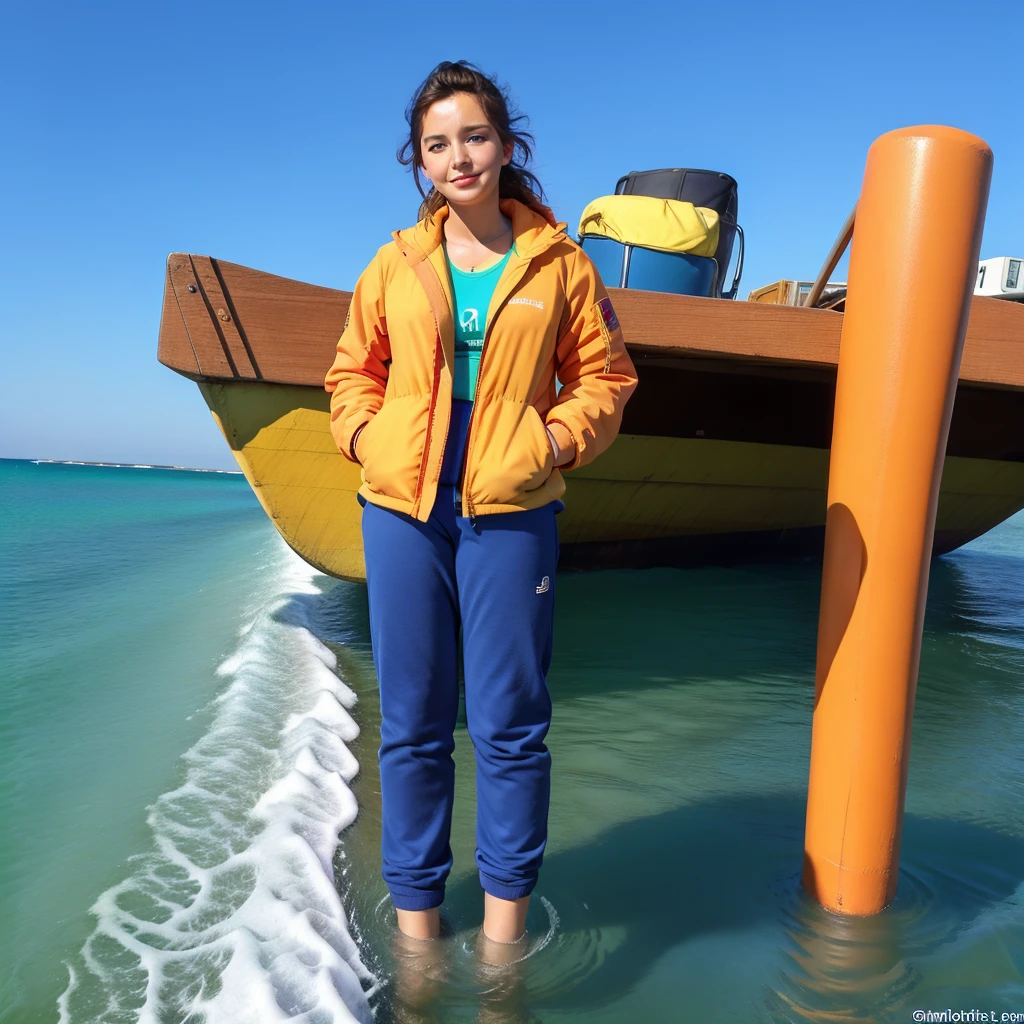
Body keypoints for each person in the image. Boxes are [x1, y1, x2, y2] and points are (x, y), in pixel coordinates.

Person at [323, 60, 638, 949]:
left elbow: (605, 377)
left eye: (474, 136)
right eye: (437, 144)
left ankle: (504, 939)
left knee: (509, 725)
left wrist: (552, 444)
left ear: (506, 145)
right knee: (414, 726)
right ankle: (419, 935)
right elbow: (352, 372)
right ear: (419, 162)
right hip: (401, 510)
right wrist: (365, 437)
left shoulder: (561, 265)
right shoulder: (393, 264)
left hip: (512, 509)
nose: (457, 157)